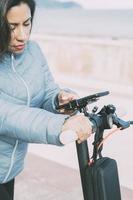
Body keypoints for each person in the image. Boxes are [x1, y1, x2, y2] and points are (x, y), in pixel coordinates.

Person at [0, 0, 92, 199]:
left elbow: (47, 92)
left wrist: (60, 101)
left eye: (27, 23)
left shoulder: (33, 51)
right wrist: (61, 125)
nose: (22, 36)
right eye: (11, 27)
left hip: (9, 169)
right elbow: (8, 116)